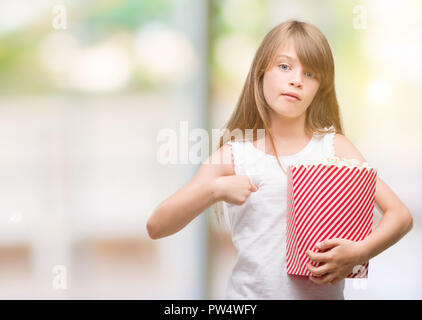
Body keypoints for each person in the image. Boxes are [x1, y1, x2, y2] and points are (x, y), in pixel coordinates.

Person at [146, 19, 413, 299]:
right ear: (261, 72)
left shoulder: (335, 149)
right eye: (284, 67)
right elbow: (157, 225)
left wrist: (361, 251)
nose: (296, 79)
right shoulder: (234, 156)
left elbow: (400, 216)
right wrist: (215, 189)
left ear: (320, 88)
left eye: (310, 74)